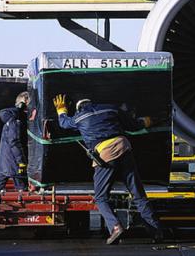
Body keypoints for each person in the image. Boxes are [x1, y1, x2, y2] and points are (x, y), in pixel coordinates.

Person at [53, 94, 163, 245]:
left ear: (79, 108)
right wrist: (151, 120)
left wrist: (61, 111)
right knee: (138, 193)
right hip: (124, 147)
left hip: (105, 154)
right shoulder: (111, 109)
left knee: (101, 197)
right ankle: (157, 232)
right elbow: (134, 124)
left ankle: (115, 227)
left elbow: (64, 124)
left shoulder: (79, 117)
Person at [0, 92, 29, 192]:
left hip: (7, 161)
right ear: (24, 103)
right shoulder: (15, 120)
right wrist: (21, 161)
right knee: (22, 188)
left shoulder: (13, 119)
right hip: (14, 162)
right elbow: (14, 141)